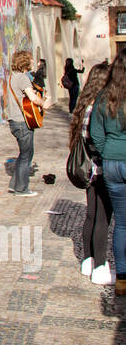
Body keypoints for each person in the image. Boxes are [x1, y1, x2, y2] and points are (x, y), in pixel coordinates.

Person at [68, 61, 111, 280]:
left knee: (92, 216)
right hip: (100, 169)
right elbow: (97, 141)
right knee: (102, 218)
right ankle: (100, 268)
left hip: (87, 169)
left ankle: (88, 260)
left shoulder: (84, 105)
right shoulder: (99, 107)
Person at [89, 47, 126, 295]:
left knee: (121, 224)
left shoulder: (104, 97)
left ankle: (122, 279)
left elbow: (95, 134)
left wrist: (108, 153)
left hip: (112, 163)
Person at [6, 49, 44, 196]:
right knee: (26, 155)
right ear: (25, 62)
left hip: (14, 121)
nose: (33, 62)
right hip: (22, 122)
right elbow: (33, 98)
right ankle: (21, 189)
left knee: (25, 154)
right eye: (31, 59)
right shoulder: (22, 78)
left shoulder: (13, 77)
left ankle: (15, 184)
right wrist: (43, 103)